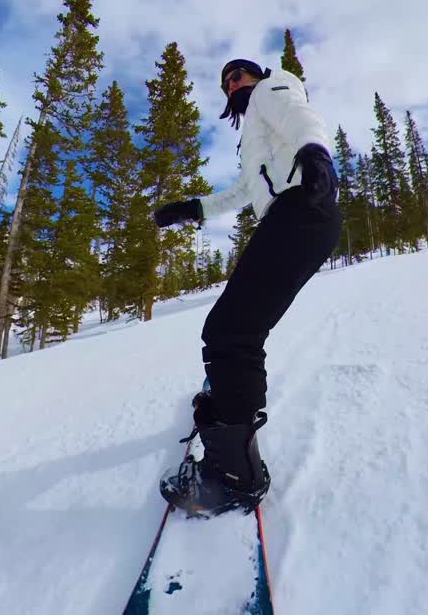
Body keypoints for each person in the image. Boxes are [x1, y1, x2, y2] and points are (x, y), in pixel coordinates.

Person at [152, 58, 342, 517]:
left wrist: (316, 156)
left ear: (256, 76)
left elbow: (303, 119)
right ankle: (230, 414)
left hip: (303, 209)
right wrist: (191, 208)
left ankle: (236, 475)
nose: (233, 83)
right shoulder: (254, 135)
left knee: (230, 332)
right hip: (292, 218)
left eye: (239, 74)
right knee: (236, 328)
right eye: (226, 81)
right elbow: (243, 191)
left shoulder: (271, 91)